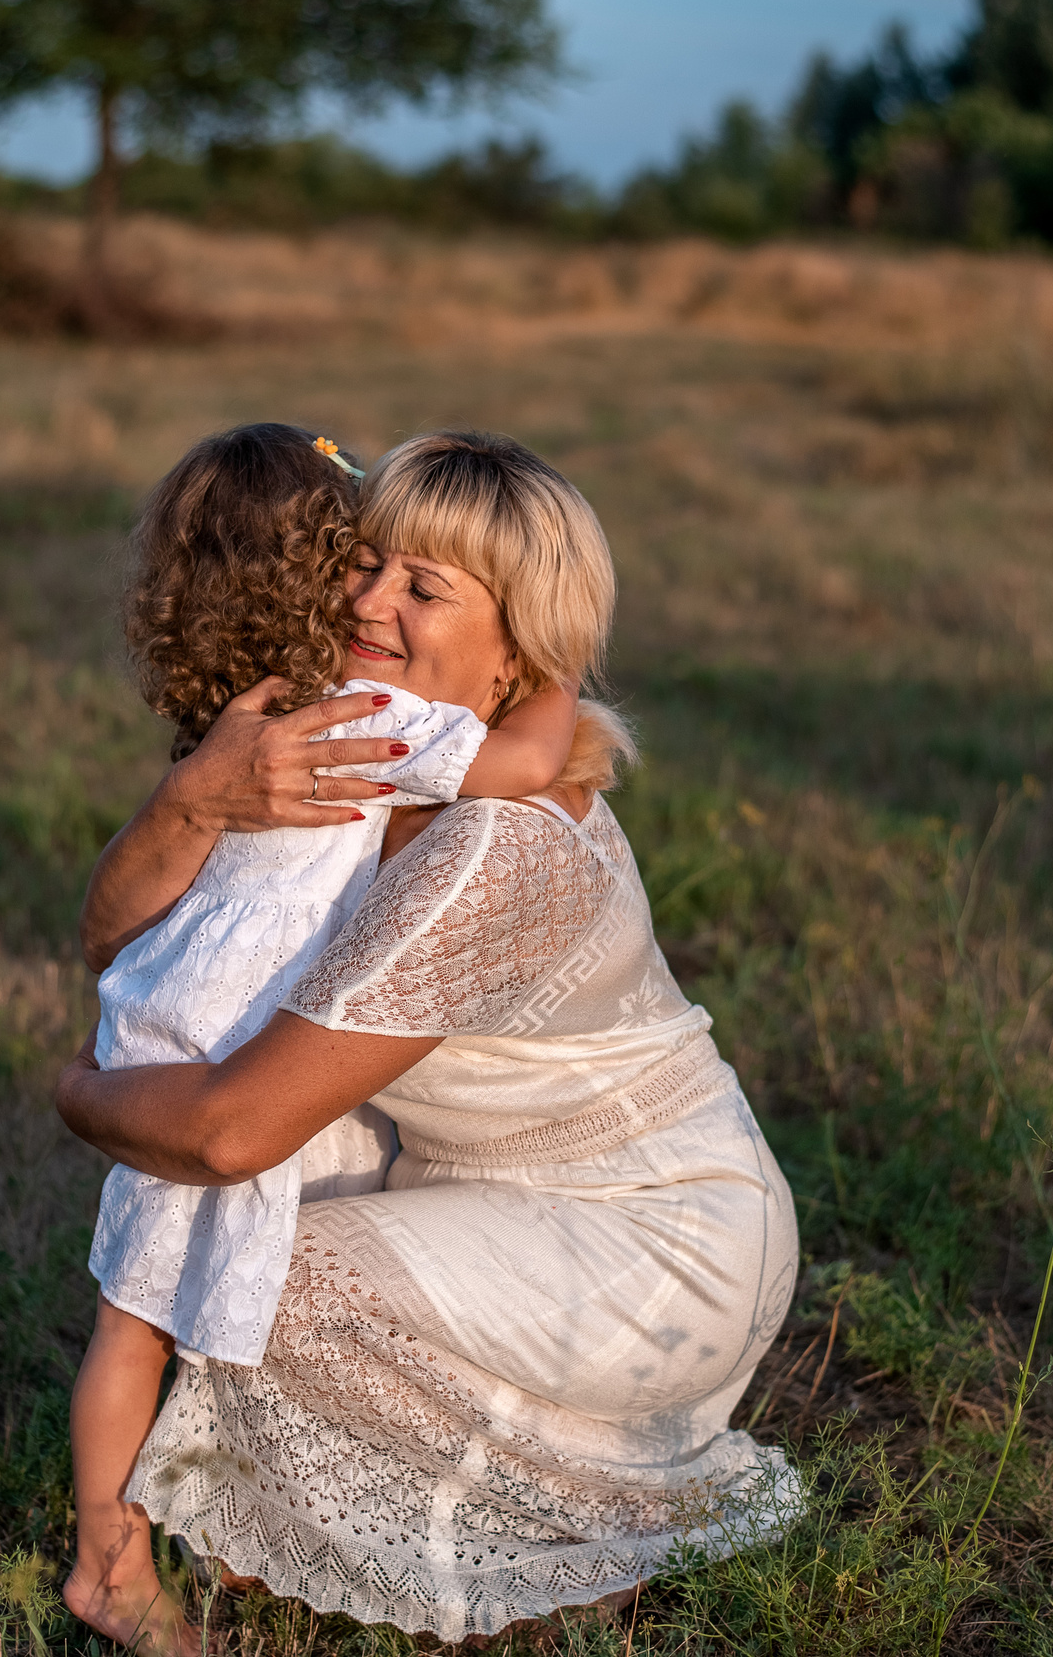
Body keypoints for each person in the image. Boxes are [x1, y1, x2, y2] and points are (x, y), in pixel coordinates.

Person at [59, 430, 801, 1650]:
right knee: (228, 1272)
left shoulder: (495, 846)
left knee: (260, 1286)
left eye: (423, 587)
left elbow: (231, 1128)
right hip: (488, 1193)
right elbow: (112, 939)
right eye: (365, 563)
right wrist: (192, 795)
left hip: (654, 1227)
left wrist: (82, 1096)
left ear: (517, 651)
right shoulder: (356, 743)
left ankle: (575, 1525)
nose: (366, 602)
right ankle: (323, 1524)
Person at [65, 423, 579, 1654]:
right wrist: (559, 659)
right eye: (363, 559)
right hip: (248, 1065)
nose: (375, 596)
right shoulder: (371, 722)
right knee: (268, 1302)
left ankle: (107, 1555)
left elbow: (126, 927)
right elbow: (525, 759)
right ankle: (248, 1542)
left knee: (130, 1325)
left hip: (157, 1043)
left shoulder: (229, 720)